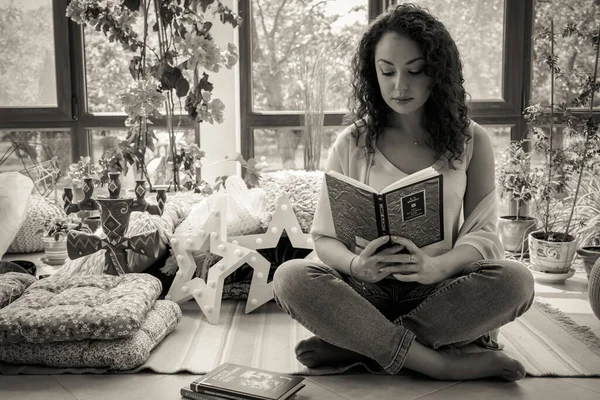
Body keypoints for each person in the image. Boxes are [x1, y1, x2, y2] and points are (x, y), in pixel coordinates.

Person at [272, 3, 534, 382]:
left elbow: (484, 236)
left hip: (438, 293)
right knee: (290, 277)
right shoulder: (352, 142)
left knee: (517, 280)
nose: (400, 86)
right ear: (371, 73)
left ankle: (359, 343)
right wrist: (356, 266)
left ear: (438, 73)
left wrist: (436, 267)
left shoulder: (471, 140)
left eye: (415, 70)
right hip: (366, 293)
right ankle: (440, 362)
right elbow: (324, 238)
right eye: (387, 71)